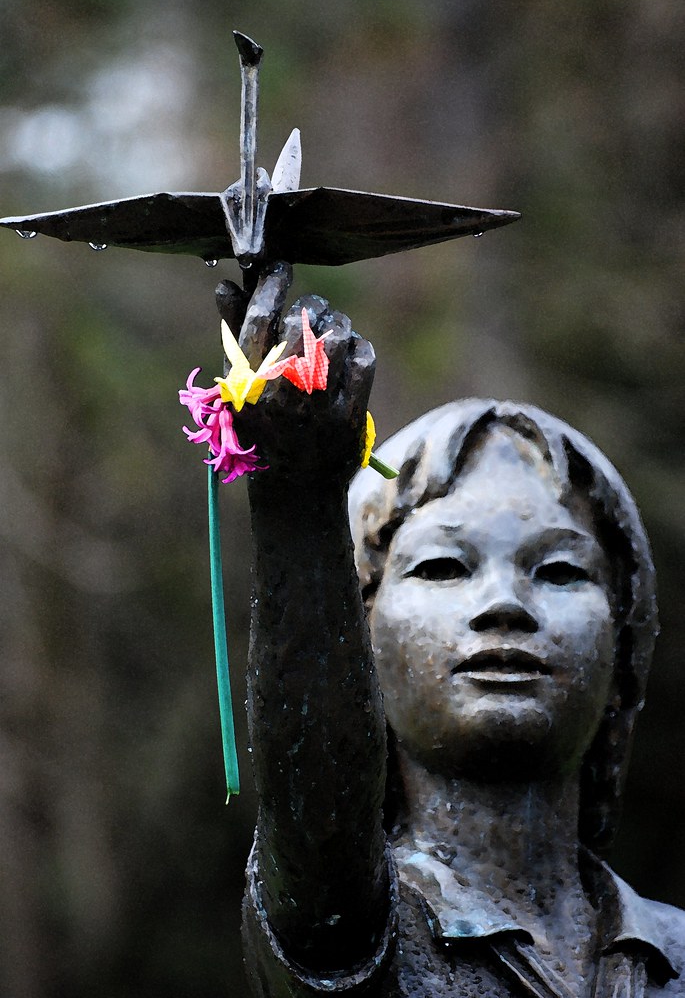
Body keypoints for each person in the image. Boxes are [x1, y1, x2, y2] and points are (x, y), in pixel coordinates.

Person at [225, 264, 685, 998]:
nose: (504, 603)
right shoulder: (357, 931)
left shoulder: (675, 952)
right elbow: (318, 855)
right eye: (442, 567)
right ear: (358, 633)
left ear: (626, 652)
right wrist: (299, 499)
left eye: (560, 571)